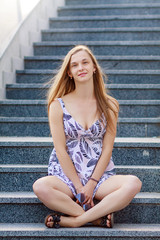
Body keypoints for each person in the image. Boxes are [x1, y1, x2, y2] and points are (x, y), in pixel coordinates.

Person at [33, 45, 142, 228]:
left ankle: (77, 221)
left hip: (99, 176)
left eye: (85, 62)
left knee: (133, 183)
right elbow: (60, 149)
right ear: (69, 72)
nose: (80, 68)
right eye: (74, 65)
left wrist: (91, 184)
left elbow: (107, 148)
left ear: (94, 68)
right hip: (66, 177)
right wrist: (78, 187)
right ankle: (96, 219)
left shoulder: (110, 105)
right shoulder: (57, 105)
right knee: (40, 187)